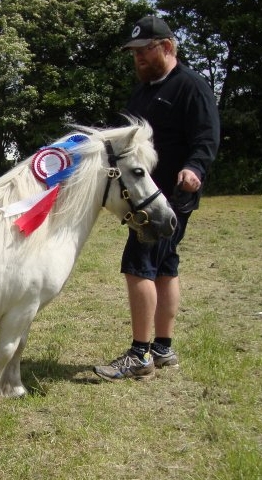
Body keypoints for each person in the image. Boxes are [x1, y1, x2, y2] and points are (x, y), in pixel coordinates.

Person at [94, 15, 220, 381]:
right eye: (133, 52)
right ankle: (162, 348)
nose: (137, 58)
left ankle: (139, 355)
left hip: (170, 197)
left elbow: (207, 135)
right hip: (142, 195)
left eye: (143, 50)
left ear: (166, 47)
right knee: (165, 268)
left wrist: (194, 168)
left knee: (139, 265)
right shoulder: (143, 92)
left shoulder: (191, 86)